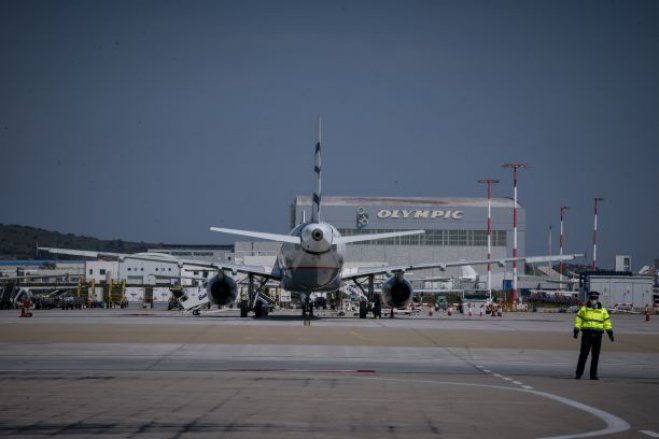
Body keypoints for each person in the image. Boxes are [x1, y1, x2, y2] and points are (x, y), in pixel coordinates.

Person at [573, 291, 614, 380]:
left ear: (597, 299)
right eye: (592, 298)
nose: (593, 300)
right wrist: (576, 329)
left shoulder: (603, 310)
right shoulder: (584, 309)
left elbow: (607, 322)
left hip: (598, 334)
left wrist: (610, 332)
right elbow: (578, 319)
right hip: (587, 334)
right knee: (583, 354)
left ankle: (593, 374)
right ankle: (579, 373)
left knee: (595, 356)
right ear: (589, 298)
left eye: (595, 298)